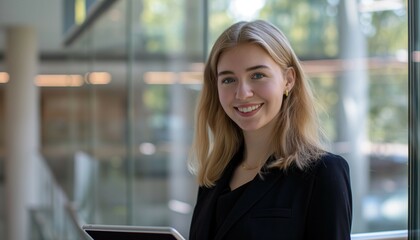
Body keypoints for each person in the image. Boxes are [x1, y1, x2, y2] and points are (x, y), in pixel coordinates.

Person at [188, 20, 352, 240]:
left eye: (257, 75)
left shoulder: (323, 174)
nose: (242, 93)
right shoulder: (213, 178)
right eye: (228, 79)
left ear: (288, 80)